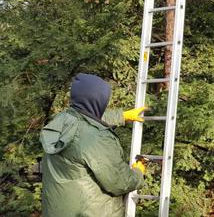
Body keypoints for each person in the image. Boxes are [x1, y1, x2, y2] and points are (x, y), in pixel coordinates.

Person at [40, 73, 148, 216]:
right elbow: (118, 181)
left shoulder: (62, 121)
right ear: (98, 101)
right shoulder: (97, 138)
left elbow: (87, 120)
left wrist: (121, 116)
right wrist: (138, 172)